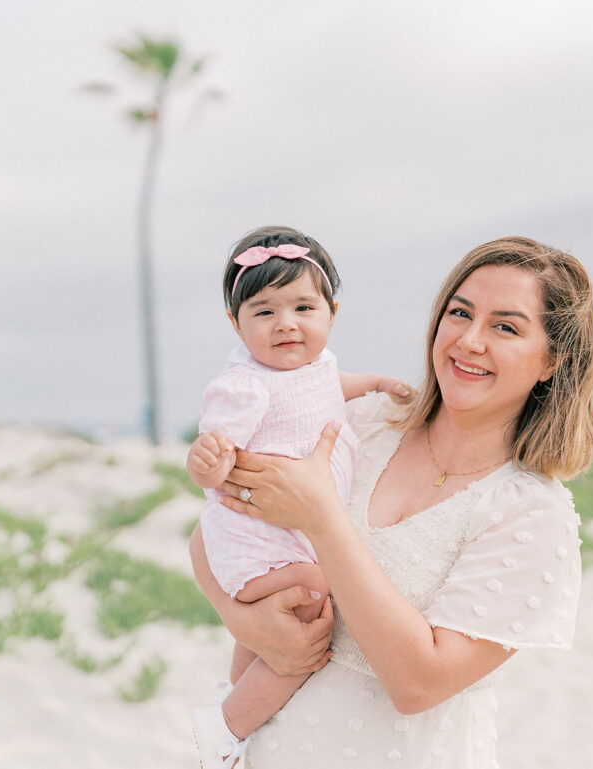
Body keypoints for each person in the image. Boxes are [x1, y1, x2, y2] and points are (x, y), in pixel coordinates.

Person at [190, 235, 593, 768]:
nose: (470, 340)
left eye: (505, 326)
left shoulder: (531, 514)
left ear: (552, 360)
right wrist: (242, 621)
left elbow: (419, 683)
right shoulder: (360, 423)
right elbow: (215, 531)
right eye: (460, 313)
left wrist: (321, 520)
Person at [187, 225, 410, 767]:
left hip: (294, 530)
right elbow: (215, 449)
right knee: (311, 600)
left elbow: (335, 385)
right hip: (256, 534)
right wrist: (208, 462)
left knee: (274, 621)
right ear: (235, 324)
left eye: (302, 307)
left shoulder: (320, 367)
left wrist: (378, 381)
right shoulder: (245, 385)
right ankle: (228, 724)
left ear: (331, 311)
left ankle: (235, 695)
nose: (286, 323)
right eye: (263, 312)